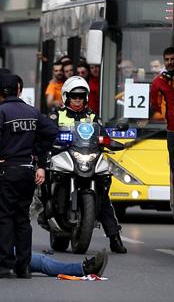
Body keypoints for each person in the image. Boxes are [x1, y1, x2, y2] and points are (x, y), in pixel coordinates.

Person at [0, 74, 58, 278]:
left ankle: (6, 264)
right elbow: (52, 131)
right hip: (27, 170)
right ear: (19, 90)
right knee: (22, 219)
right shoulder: (32, 112)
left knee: (4, 218)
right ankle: (23, 266)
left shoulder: (0, 112)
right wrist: (36, 149)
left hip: (7, 170)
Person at [49, 76, 128, 253]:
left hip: (87, 158)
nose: (77, 100)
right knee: (49, 180)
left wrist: (109, 141)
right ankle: (47, 210)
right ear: (66, 97)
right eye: (74, 96)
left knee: (102, 196)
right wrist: (51, 139)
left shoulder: (92, 117)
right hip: (65, 158)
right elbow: (47, 132)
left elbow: (103, 135)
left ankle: (114, 237)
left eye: (81, 96)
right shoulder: (57, 114)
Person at [150, 48, 174, 220]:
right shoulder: (158, 83)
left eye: (173, 59)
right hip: (172, 131)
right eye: (167, 59)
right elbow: (154, 105)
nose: (170, 62)